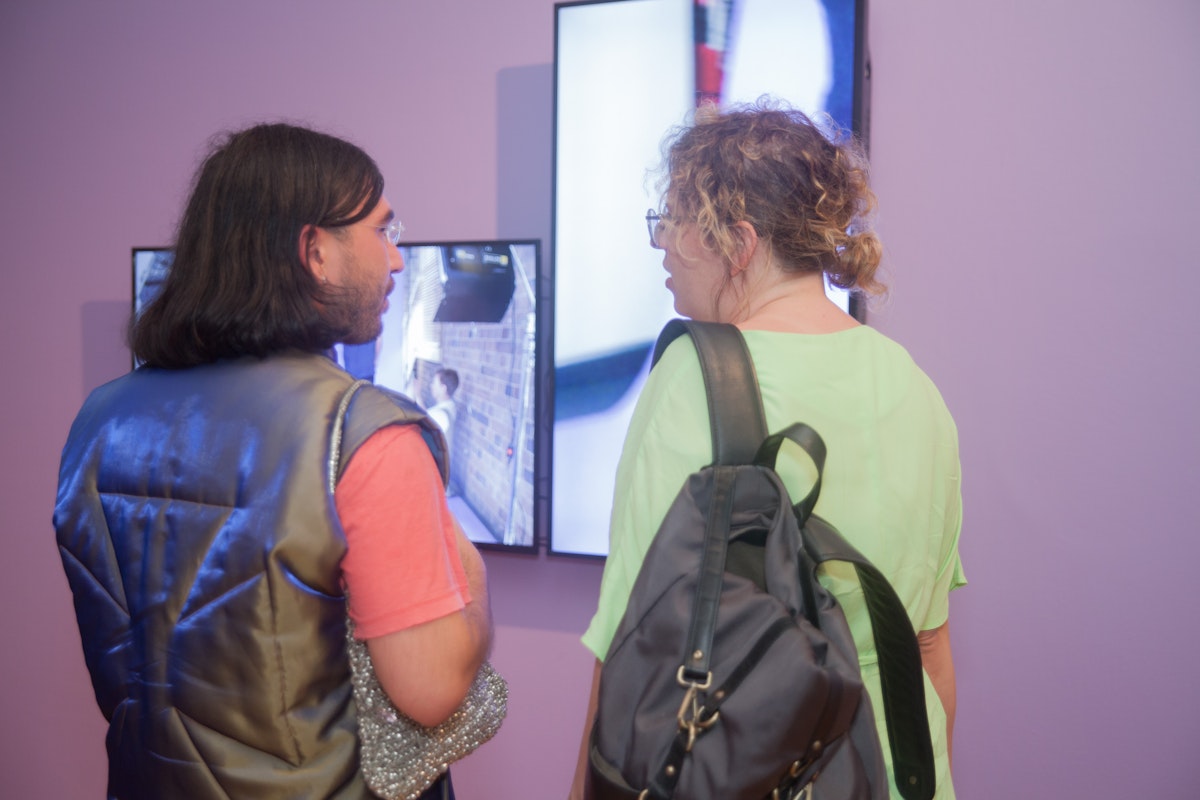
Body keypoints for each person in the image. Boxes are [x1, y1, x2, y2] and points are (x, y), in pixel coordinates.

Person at [53, 123, 492, 800]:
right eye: (383, 230)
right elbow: (432, 690)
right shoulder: (362, 432)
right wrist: (472, 574)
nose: (397, 260)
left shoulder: (100, 419)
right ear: (315, 251)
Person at [569, 100, 964, 798]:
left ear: (739, 243)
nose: (661, 242)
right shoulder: (917, 385)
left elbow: (633, 639)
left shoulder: (693, 378)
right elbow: (928, 649)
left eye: (673, 219)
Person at [427, 368, 459, 443]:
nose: (431, 386)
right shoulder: (451, 406)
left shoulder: (439, 415)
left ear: (443, 389)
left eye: (434, 383)